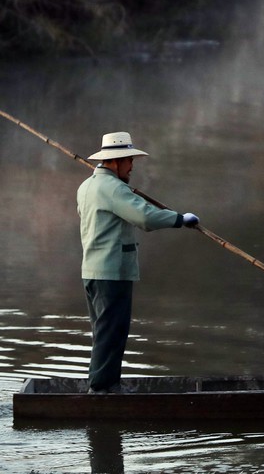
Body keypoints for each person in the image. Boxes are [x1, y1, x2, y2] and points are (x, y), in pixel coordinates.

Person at [77, 131, 199, 394]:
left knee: (103, 333)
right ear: (115, 161)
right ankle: (102, 389)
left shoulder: (87, 186)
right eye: (129, 160)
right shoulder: (112, 188)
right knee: (112, 333)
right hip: (112, 272)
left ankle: (103, 385)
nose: (132, 166)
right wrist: (180, 219)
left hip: (92, 271)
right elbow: (144, 217)